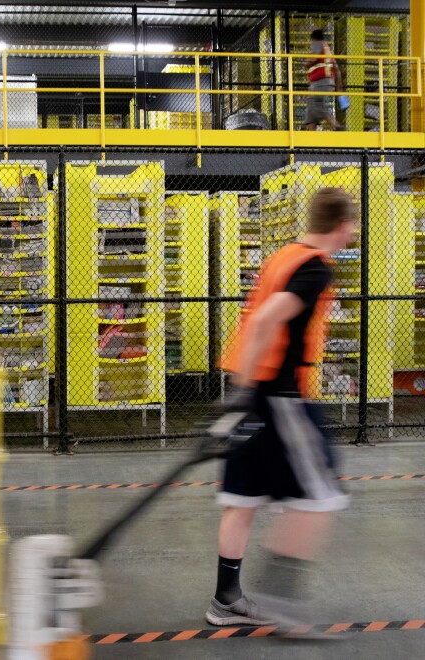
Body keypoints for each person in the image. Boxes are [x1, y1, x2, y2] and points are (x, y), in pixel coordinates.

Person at [205, 187, 357, 628]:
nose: (353, 234)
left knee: (242, 500)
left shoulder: (284, 255)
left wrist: (237, 393)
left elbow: (255, 321)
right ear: (343, 225)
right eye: (353, 226)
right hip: (281, 398)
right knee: (320, 496)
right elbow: (267, 319)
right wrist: (247, 394)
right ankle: (283, 604)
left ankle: (226, 599)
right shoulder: (313, 270)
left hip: (254, 391)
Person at [305, 29, 344, 131]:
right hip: (327, 82)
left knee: (317, 106)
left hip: (319, 82)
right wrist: (339, 86)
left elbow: (313, 58)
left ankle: (337, 126)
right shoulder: (327, 49)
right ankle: (310, 134)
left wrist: (307, 63)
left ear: (313, 38)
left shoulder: (317, 44)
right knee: (312, 107)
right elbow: (336, 68)